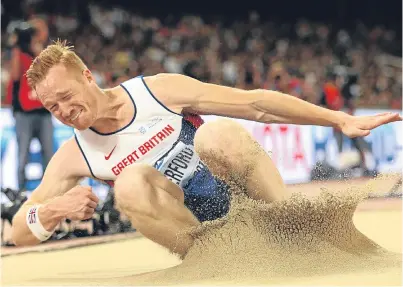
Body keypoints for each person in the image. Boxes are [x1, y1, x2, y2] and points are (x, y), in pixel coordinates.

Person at [11, 40, 401, 257]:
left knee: (218, 136)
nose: (63, 112)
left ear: (87, 76)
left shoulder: (157, 90)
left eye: (65, 97)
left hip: (246, 197)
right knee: (129, 184)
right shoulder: (75, 154)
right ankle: (213, 266)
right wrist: (55, 209)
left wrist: (338, 119)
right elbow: (18, 230)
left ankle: (294, 229)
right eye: (51, 107)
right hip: (200, 236)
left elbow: (255, 104)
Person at [5, 19, 54, 191]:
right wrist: (17, 47)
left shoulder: (43, 53)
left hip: (43, 112)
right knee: (23, 156)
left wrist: (38, 48)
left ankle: (49, 192)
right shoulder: (20, 54)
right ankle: (20, 194)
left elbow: (48, 74)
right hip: (24, 113)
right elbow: (16, 75)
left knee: (49, 155)